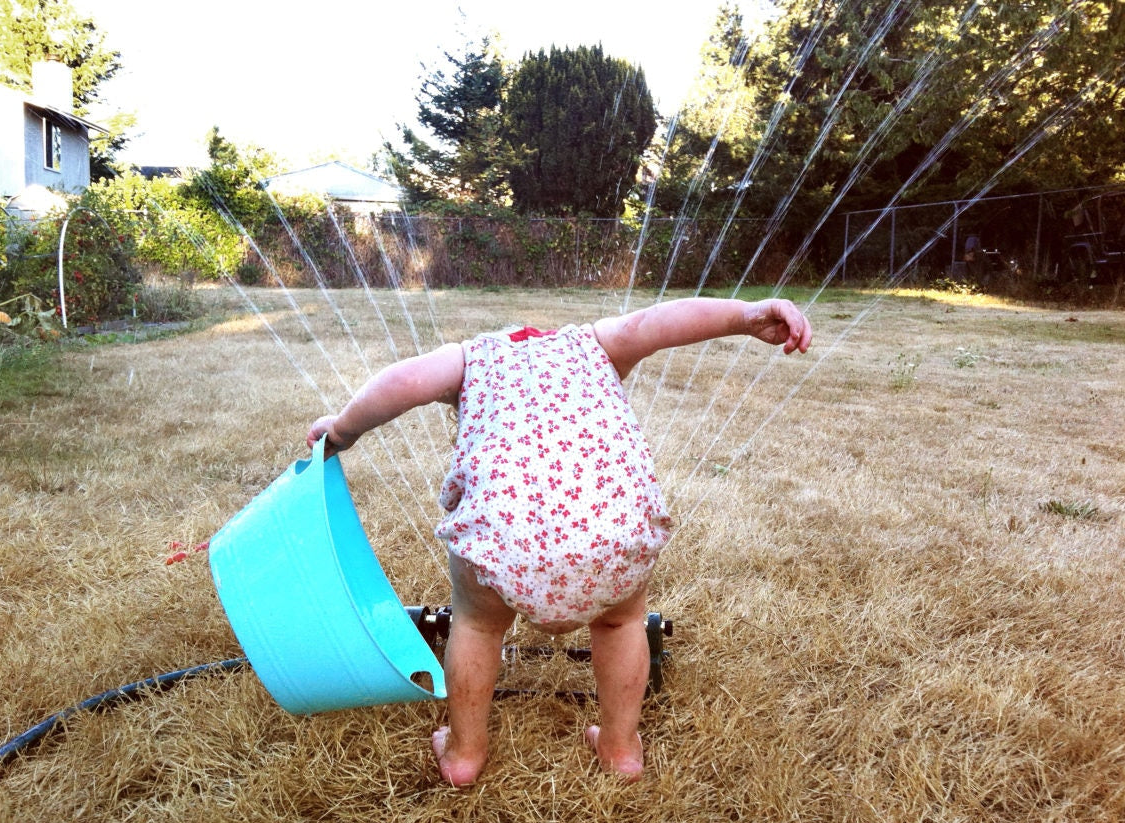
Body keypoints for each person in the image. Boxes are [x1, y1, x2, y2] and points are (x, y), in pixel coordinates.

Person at [307, 297, 812, 786]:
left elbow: (405, 381)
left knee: (478, 626)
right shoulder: (595, 344)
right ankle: (619, 748)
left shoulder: (472, 356)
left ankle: (465, 753)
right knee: (620, 622)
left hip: (503, 533)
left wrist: (343, 429)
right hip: (611, 529)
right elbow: (660, 323)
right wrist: (746, 316)